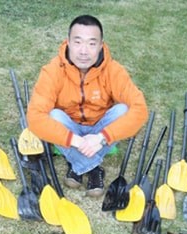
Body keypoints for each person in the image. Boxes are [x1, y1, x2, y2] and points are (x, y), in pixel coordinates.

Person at [27, 14, 148, 197]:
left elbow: (140, 109)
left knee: (123, 111)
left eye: (91, 44)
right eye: (78, 42)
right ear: (68, 42)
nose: (84, 51)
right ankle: (93, 169)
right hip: (70, 129)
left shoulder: (114, 71)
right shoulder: (52, 71)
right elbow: (35, 117)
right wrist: (75, 141)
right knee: (54, 116)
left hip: (99, 129)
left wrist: (100, 138)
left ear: (101, 46)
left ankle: (76, 165)